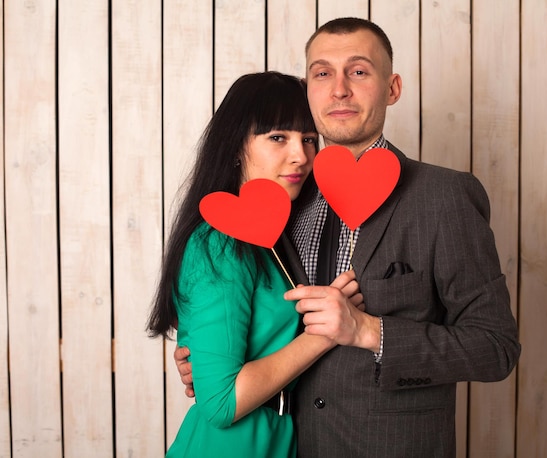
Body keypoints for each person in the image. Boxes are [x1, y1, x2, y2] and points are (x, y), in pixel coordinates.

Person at [175, 18, 521, 457]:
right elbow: (249, 318)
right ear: (308, 89)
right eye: (322, 73)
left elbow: (496, 347)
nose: (339, 89)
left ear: (392, 88)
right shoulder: (282, 195)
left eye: (358, 71)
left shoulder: (444, 197)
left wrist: (369, 331)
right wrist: (208, 364)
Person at [147, 71, 363, 457]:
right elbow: (220, 403)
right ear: (235, 145)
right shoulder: (219, 244)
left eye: (309, 139)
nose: (300, 155)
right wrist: (326, 332)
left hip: (280, 438)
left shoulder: (281, 233)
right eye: (278, 137)